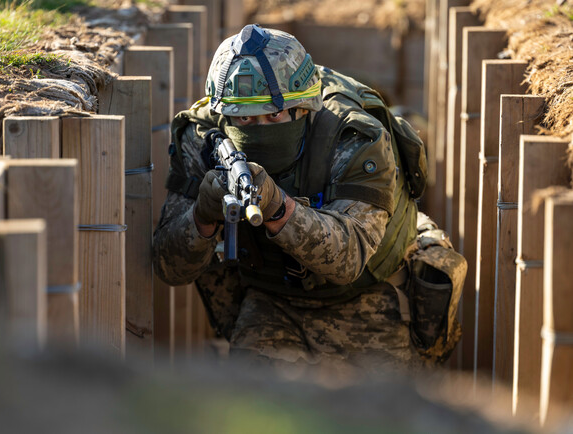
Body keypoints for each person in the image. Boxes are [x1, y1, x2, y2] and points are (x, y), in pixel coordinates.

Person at [154, 24, 440, 371]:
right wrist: (202, 218)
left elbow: (349, 257)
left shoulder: (355, 136)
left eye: (272, 115)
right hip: (270, 298)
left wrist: (279, 208)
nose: (257, 128)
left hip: (367, 295)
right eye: (243, 119)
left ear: (303, 109)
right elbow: (168, 267)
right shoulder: (203, 137)